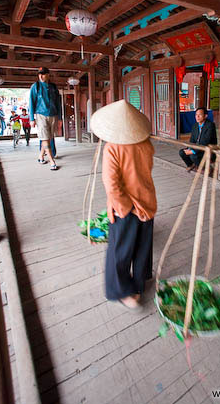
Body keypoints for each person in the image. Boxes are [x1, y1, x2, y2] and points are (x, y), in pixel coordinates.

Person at [90, 100, 157, 311]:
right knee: (142, 247)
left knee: (120, 252)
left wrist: (122, 207)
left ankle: (123, 290)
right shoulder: (146, 144)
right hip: (147, 202)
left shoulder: (112, 148)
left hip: (125, 207)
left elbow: (111, 183)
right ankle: (138, 284)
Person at [29, 67, 62, 171]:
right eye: (40, 74)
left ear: (48, 75)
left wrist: (60, 117)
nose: (41, 76)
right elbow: (31, 102)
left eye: (43, 74)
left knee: (49, 137)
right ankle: (52, 161)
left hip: (53, 115)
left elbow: (58, 103)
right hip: (41, 115)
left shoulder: (53, 87)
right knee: (45, 137)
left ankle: (40, 157)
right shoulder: (36, 86)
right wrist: (31, 118)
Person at [179, 106, 217, 171]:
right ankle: (191, 165)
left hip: (207, 149)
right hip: (197, 147)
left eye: (200, 115)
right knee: (182, 152)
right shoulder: (195, 126)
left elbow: (205, 142)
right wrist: (189, 148)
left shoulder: (210, 125)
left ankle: (205, 168)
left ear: (205, 116)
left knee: (193, 155)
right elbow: (192, 140)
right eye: (196, 115)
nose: (197, 117)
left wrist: (193, 151)